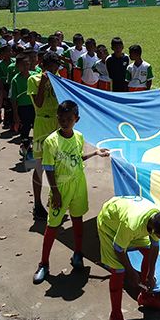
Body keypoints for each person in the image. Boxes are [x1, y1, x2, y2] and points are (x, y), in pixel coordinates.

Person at [33, 100, 110, 284]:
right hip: (61, 187)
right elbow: (49, 168)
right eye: (61, 118)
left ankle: (77, 254)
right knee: (53, 226)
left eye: (69, 118)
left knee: (77, 220)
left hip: (78, 186)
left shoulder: (78, 137)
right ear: (57, 118)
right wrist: (55, 193)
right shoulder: (52, 141)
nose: (64, 121)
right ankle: (44, 263)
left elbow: (78, 157)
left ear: (77, 119)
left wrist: (95, 153)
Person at [97, 196, 160, 320]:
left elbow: (154, 246)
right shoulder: (131, 225)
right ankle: (115, 317)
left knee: (148, 251)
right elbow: (118, 248)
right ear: (155, 230)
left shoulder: (157, 219)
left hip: (126, 220)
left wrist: (150, 275)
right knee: (118, 270)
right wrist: (131, 272)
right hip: (109, 223)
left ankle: (145, 297)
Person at [27, 52, 62, 220]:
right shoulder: (33, 80)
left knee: (58, 165)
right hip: (42, 124)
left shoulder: (59, 78)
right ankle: (37, 203)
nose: (54, 72)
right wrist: (44, 83)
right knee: (40, 166)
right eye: (51, 69)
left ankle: (54, 199)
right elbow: (39, 103)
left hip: (57, 124)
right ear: (43, 66)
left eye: (56, 69)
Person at [10, 54, 35, 159]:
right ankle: (25, 148)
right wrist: (15, 115)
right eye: (22, 65)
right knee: (25, 128)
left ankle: (36, 150)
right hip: (23, 108)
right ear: (17, 66)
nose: (25, 67)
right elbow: (13, 99)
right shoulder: (15, 80)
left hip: (34, 106)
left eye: (27, 64)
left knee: (36, 127)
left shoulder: (35, 75)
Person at [0, 45, 15, 129]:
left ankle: (13, 121)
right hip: (6, 86)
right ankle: (6, 121)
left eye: (10, 51)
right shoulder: (0, 64)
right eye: (8, 51)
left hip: (14, 85)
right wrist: (2, 90)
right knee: (7, 104)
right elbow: (0, 79)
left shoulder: (14, 61)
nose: (10, 53)